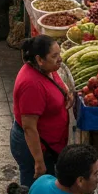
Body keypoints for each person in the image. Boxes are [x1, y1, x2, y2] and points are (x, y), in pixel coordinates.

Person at [11, 35, 73, 186]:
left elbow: (55, 80)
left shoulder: (47, 68)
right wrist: (39, 162)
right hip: (34, 149)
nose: (60, 59)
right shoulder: (31, 85)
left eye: (59, 54)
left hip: (49, 146)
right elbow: (29, 127)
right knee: (35, 190)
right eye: (54, 56)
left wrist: (66, 93)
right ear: (39, 59)